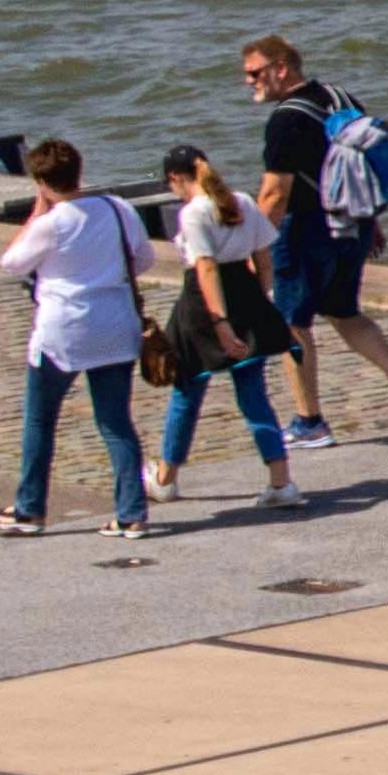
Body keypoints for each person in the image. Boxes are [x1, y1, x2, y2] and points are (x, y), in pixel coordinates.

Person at [242, 34, 388, 444]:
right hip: (353, 225)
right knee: (345, 313)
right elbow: (363, 165)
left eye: (254, 73)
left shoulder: (285, 120)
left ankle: (310, 423)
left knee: (292, 324)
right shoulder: (341, 97)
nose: (249, 82)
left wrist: (252, 246)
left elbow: (274, 195)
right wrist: (371, 221)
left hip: (306, 231)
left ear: (280, 68)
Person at [0, 139, 157, 543]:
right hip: (115, 325)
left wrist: (37, 211)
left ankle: (30, 508)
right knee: (115, 422)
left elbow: (12, 263)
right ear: (79, 172)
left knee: (40, 420)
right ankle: (132, 514)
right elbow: (145, 258)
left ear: (42, 182)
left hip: (63, 332)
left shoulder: (51, 223)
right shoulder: (117, 208)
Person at [139, 150, 308, 515]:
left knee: (187, 392)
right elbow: (264, 260)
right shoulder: (243, 201)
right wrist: (257, 302)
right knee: (253, 395)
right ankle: (281, 482)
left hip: (203, 307)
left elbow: (206, 268)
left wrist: (220, 321)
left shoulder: (193, 212)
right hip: (246, 295)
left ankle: (165, 480)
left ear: (175, 178)